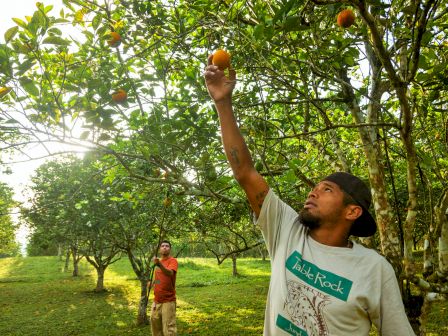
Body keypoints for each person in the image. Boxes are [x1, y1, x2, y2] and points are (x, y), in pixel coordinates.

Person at [204, 56, 415, 335]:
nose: (313, 191)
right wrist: (222, 102)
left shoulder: (374, 270)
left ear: (352, 212)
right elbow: (245, 172)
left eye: (327, 189)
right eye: (316, 186)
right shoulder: (287, 229)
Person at [149, 240, 178, 336]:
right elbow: (159, 280)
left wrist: (159, 265)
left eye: (167, 246)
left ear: (170, 249)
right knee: (155, 327)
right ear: (159, 249)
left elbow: (170, 273)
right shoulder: (157, 263)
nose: (165, 247)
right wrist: (152, 283)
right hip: (157, 300)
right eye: (162, 246)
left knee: (169, 329)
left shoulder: (172, 261)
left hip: (168, 300)